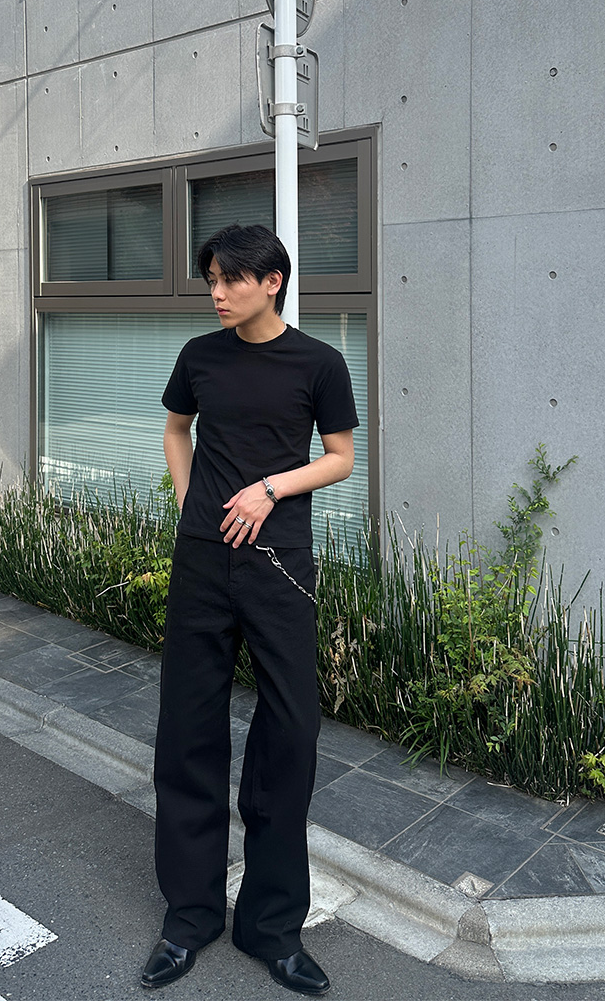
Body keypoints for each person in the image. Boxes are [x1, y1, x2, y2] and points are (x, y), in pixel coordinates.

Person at [141, 224, 358, 995]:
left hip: (278, 566)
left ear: (272, 282)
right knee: (188, 731)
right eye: (211, 280)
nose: (217, 293)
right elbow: (175, 432)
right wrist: (190, 505)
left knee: (291, 732)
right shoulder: (200, 356)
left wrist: (270, 488)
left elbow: (340, 457)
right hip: (203, 562)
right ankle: (190, 916)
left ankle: (271, 925)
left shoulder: (318, 363)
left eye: (230, 279)